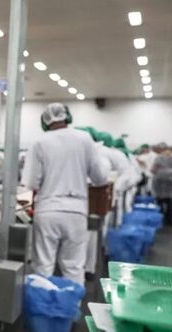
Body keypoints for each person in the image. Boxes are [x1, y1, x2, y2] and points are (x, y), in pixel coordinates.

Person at [23, 103, 109, 285]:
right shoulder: (85, 139)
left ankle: (43, 308)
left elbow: (31, 183)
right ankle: (71, 309)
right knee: (74, 267)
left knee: (43, 266)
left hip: (47, 210)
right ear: (67, 117)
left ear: (45, 121)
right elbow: (100, 178)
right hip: (76, 211)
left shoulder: (40, 143)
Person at [152, 145, 172, 226]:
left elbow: (153, 170)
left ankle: (160, 220)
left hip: (159, 181)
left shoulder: (158, 157)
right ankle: (171, 220)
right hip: (171, 183)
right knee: (171, 202)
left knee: (159, 201)